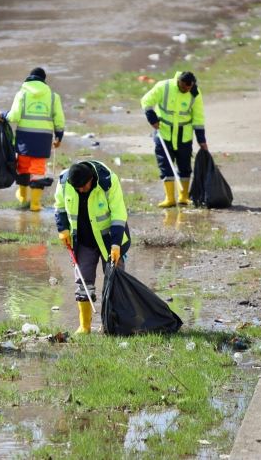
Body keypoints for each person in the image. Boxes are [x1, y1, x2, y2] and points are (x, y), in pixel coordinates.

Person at [54, 160, 131, 334]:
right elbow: (59, 207)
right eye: (77, 188)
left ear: (91, 179)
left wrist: (116, 245)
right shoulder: (65, 182)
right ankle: (85, 326)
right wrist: (63, 229)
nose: (80, 190)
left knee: (114, 282)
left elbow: (119, 214)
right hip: (83, 242)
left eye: (83, 187)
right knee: (83, 282)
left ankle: (111, 325)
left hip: (110, 240)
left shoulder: (108, 181)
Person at [0, 67, 65, 211]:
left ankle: (22, 196)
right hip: (43, 140)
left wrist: (1, 114)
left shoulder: (22, 94)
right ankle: (35, 204)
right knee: (38, 170)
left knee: (23, 168)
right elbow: (59, 120)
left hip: (24, 139)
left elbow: (13, 116)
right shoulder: (53, 97)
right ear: (44, 80)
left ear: (30, 78)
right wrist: (59, 137)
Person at [140, 71, 208, 207]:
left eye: (188, 88)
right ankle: (169, 198)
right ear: (179, 82)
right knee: (165, 166)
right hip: (164, 133)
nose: (186, 90)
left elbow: (198, 117)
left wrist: (201, 140)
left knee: (185, 166)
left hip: (184, 135)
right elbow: (146, 101)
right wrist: (151, 117)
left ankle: (183, 197)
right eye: (184, 87)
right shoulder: (163, 87)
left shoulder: (195, 93)